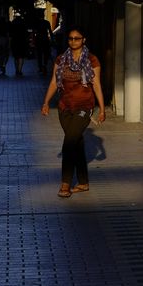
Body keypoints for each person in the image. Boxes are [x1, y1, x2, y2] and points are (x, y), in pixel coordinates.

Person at [41, 26, 106, 198]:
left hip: (84, 107)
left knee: (69, 142)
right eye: (70, 38)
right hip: (64, 107)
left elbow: (96, 84)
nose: (73, 41)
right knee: (76, 143)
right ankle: (83, 182)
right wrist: (46, 102)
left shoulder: (92, 60)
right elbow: (55, 82)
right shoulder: (61, 59)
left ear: (83, 40)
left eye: (77, 38)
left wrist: (102, 109)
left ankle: (65, 182)